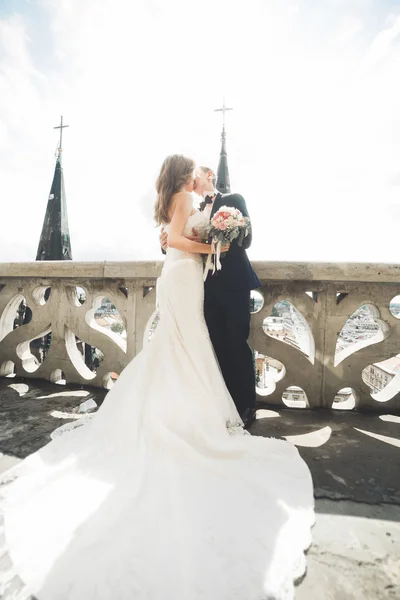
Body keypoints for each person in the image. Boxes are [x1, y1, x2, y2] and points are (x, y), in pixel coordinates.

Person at [0, 154, 314, 600]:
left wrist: (212, 239)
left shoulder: (187, 199)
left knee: (184, 344)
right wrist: (211, 246)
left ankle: (185, 406)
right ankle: (190, 412)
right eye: (195, 167)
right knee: (184, 343)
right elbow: (180, 246)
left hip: (190, 280)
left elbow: (183, 237)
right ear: (187, 175)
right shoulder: (187, 197)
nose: (200, 172)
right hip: (186, 277)